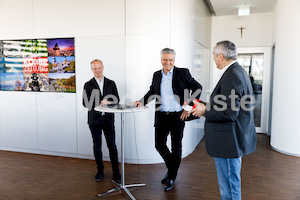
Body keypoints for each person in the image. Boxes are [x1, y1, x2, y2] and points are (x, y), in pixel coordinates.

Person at [190, 41, 257, 200]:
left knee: (229, 186)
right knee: (230, 183)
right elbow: (229, 104)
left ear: (220, 56)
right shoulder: (237, 71)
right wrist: (206, 105)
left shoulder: (232, 75)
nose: (213, 59)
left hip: (229, 142)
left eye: (214, 55)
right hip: (231, 140)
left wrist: (204, 110)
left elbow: (229, 113)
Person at [133, 48, 202, 192]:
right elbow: (152, 91)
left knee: (176, 146)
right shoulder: (157, 75)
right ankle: (172, 169)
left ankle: (171, 176)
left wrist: (188, 108)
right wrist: (141, 101)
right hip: (161, 115)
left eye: (170, 60)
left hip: (178, 116)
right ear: (161, 60)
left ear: (174, 61)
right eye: (165, 60)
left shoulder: (183, 73)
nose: (168, 62)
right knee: (159, 144)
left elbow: (197, 88)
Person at [82, 59, 121, 183]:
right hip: (94, 120)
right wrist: (98, 102)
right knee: (97, 146)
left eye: (99, 67)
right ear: (91, 69)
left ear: (103, 67)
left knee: (112, 146)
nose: (97, 70)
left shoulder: (111, 83)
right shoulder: (88, 85)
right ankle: (100, 170)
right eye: (95, 68)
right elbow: (85, 103)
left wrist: (108, 102)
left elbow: (117, 100)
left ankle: (116, 172)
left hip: (108, 119)